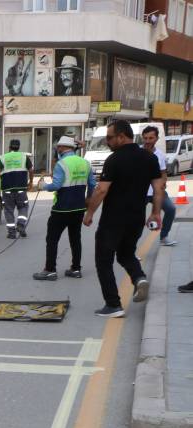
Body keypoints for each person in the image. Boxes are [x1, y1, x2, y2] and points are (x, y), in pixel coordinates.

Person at [82, 120, 165, 317]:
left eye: (110, 138)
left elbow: (102, 189)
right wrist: (155, 213)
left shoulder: (114, 160)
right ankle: (139, 278)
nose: (107, 142)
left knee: (104, 260)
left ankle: (113, 305)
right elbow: (159, 188)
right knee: (126, 254)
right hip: (136, 217)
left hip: (113, 219)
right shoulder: (149, 158)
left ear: (121, 136)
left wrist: (90, 213)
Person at [34, 136, 96, 281]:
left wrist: (43, 186)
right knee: (75, 238)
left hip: (61, 209)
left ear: (62, 148)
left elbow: (56, 185)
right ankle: (76, 269)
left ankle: (50, 270)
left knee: (52, 239)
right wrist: (88, 198)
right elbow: (92, 184)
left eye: (58, 147)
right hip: (78, 208)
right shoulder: (85, 163)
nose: (57, 150)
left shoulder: (61, 164)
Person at [141, 126, 177, 246]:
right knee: (136, 220)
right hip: (141, 193)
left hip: (157, 192)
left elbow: (163, 173)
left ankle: (164, 237)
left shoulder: (160, 155)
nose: (147, 141)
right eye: (145, 138)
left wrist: (163, 185)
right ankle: (130, 250)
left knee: (171, 209)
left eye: (151, 138)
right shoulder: (138, 153)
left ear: (156, 138)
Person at [0, 140, 33, 238]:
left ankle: (12, 233)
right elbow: (31, 170)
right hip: (21, 189)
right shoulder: (24, 157)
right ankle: (21, 224)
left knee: (8, 210)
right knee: (23, 207)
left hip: (7, 190)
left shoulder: (3, 157)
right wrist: (31, 182)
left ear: (9, 147)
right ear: (19, 147)